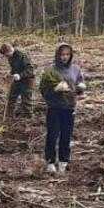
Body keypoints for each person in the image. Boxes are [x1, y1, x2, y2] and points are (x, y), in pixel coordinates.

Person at [38, 42, 86, 175]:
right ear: (57, 55)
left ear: (70, 55)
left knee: (66, 135)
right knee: (52, 135)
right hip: (54, 107)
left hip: (69, 107)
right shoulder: (51, 71)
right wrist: (55, 89)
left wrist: (81, 89)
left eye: (67, 54)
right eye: (62, 54)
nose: (64, 57)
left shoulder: (75, 69)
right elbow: (42, 89)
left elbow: (79, 83)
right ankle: (50, 161)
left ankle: (64, 160)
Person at [0, 42, 35, 118]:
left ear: (10, 50)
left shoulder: (22, 56)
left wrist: (20, 75)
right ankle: (9, 117)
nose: (6, 57)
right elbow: (14, 68)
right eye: (5, 56)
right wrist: (10, 74)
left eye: (7, 55)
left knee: (26, 100)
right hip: (17, 80)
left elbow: (30, 70)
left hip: (27, 80)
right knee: (11, 97)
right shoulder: (10, 57)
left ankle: (28, 119)